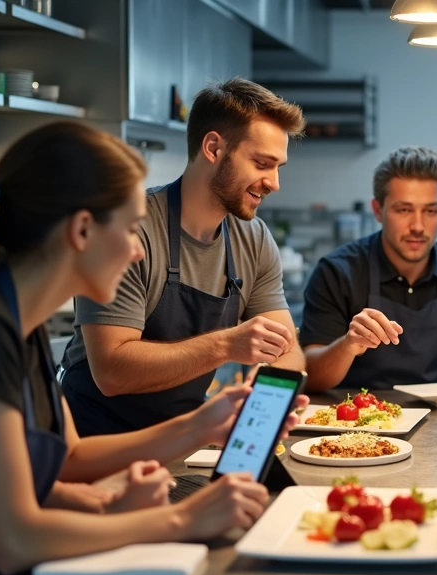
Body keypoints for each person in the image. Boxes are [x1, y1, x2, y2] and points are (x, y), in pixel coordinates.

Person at [0, 122, 306, 575]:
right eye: (131, 228)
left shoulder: (13, 321)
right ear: (80, 231)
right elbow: (14, 535)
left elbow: (66, 461)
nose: (139, 251)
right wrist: (182, 521)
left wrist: (197, 426)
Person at [61, 78, 306, 436]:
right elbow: (111, 371)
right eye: (261, 163)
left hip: (184, 442)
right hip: (93, 444)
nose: (273, 183)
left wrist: (261, 408)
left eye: (278, 167)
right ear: (213, 148)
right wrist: (226, 345)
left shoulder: (253, 239)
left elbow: (290, 353)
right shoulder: (131, 229)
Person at [300, 146, 437, 391]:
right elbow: (311, 375)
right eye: (404, 210)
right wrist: (348, 344)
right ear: (378, 210)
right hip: (353, 416)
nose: (417, 225)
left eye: (430, 211)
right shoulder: (337, 272)